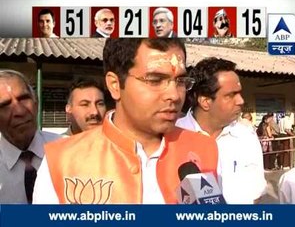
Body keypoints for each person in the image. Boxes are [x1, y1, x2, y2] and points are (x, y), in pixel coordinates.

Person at [33, 38, 220, 204]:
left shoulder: (203, 150)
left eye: (180, 81)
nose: (174, 95)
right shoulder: (62, 160)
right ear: (115, 85)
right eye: (155, 80)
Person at [176, 57, 267, 204]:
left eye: (239, 93)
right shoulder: (173, 136)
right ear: (205, 101)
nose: (241, 101)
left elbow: (256, 195)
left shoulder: (246, 137)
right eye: (231, 95)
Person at [0, 69, 61, 204]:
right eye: (5, 105)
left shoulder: (68, 149)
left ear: (36, 103)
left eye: (24, 98)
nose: (20, 111)